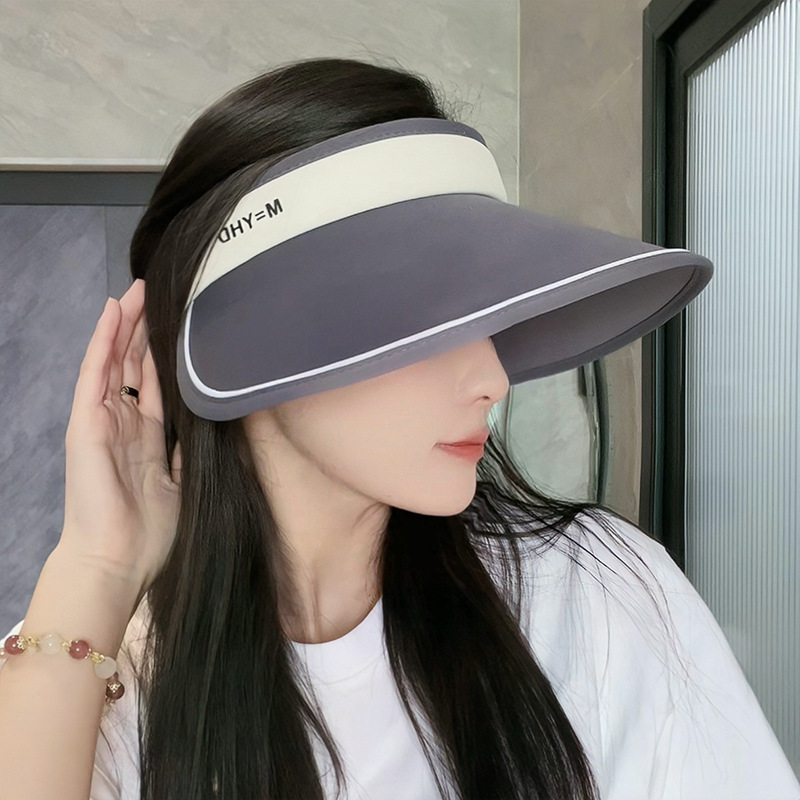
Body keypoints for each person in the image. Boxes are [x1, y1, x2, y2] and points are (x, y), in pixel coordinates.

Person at [0, 56, 797, 800]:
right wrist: (97, 565)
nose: (492, 380)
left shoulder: (597, 595)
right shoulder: (84, 671)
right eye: (422, 318)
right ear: (252, 334)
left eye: (483, 317)